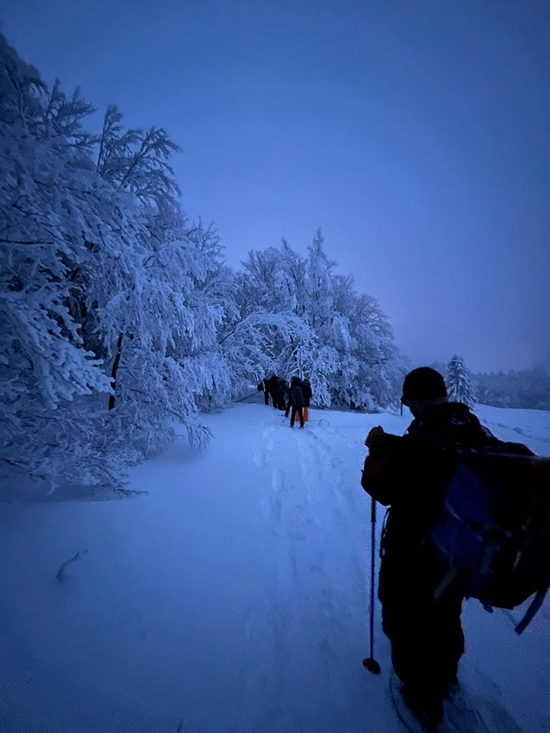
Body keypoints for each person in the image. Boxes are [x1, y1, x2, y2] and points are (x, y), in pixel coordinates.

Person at [361, 367, 498, 729]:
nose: (406, 406)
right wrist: (396, 446)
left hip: (415, 552)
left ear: (416, 399)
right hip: (460, 552)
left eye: (407, 400)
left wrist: (375, 456)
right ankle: (445, 675)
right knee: (446, 613)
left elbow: (382, 487)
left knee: (404, 617)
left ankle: (420, 695)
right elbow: (437, 460)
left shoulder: (422, 439)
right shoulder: (471, 427)